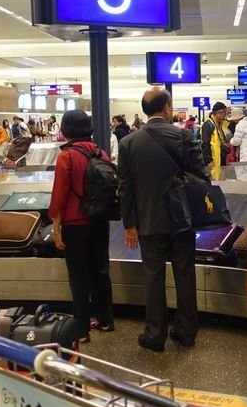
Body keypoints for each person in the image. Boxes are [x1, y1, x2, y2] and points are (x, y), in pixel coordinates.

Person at [118, 87, 209, 353]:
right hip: (182, 219)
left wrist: (130, 225)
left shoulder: (129, 143)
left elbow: (125, 187)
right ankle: (186, 331)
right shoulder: (184, 136)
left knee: (153, 278)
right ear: (167, 107)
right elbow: (203, 179)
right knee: (185, 275)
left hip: (148, 222)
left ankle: (155, 335)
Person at [49, 110, 115, 343]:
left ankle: (82, 328)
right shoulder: (101, 153)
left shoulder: (66, 156)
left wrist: (56, 228)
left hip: (75, 223)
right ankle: (105, 319)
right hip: (100, 221)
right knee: (100, 271)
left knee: (79, 276)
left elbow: (59, 196)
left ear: (65, 130)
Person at [201, 101, 230, 168]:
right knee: (215, 177)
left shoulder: (222, 124)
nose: (225, 114)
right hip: (213, 159)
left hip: (222, 157)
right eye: (224, 112)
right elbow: (205, 144)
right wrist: (208, 160)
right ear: (218, 113)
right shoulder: (208, 125)